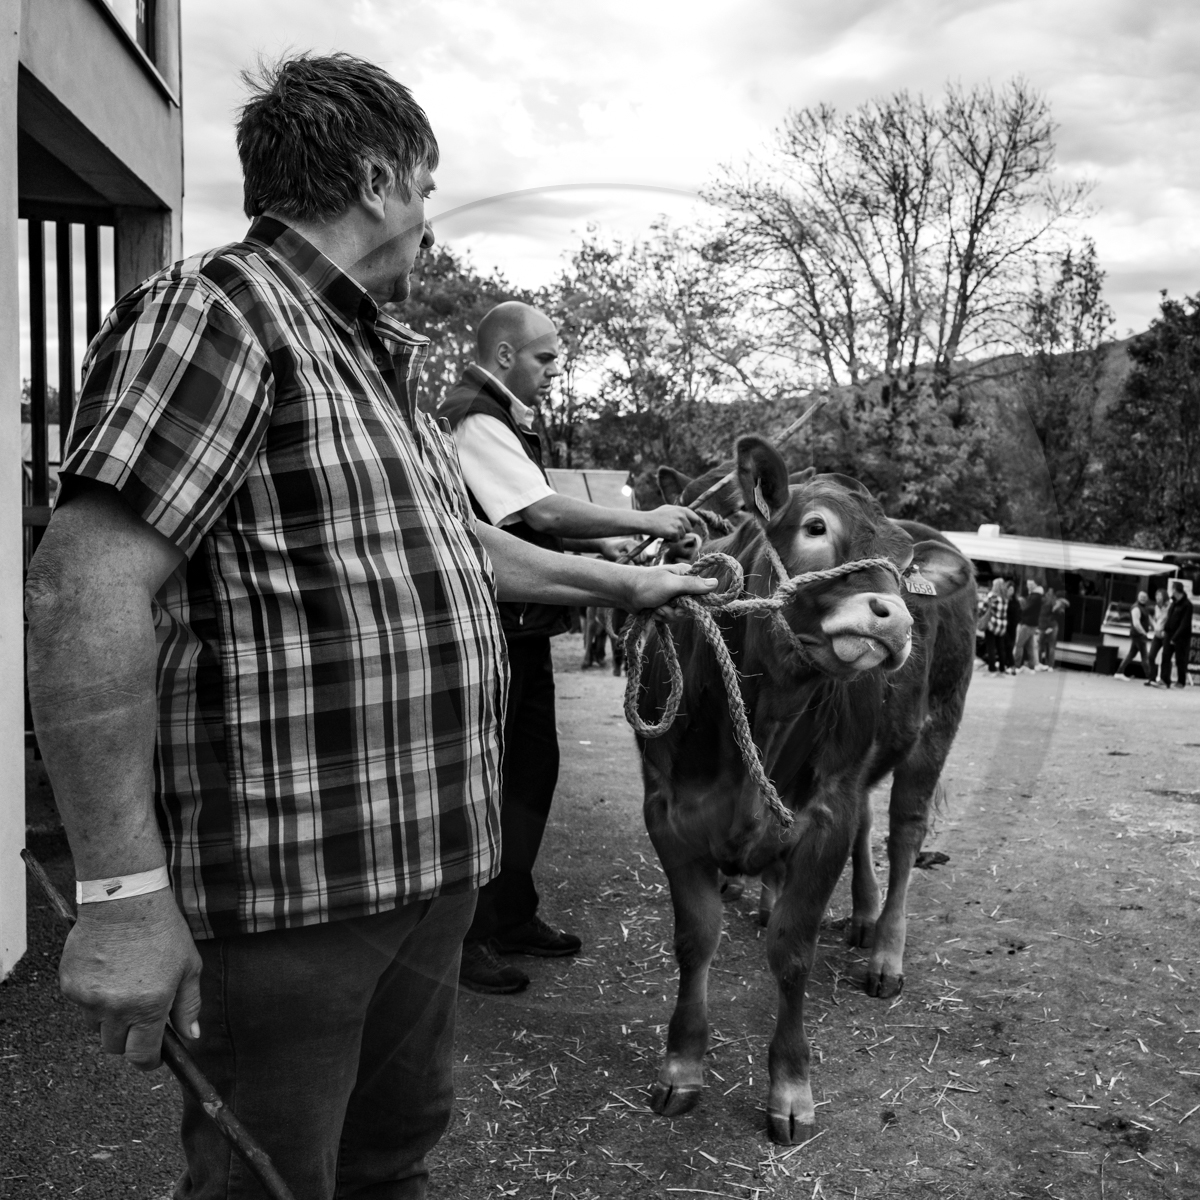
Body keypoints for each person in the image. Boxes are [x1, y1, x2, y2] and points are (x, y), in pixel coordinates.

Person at [23, 54, 718, 1200]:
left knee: (391, 1159)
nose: (432, 222)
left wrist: (624, 588)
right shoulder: (217, 312)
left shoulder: (369, 357)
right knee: (274, 1181)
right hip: (293, 884)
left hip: (424, 861)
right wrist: (119, 893)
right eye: (430, 190)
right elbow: (81, 585)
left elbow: (461, 541)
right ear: (385, 178)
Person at [438, 302, 706, 994]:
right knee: (490, 784)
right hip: (493, 630)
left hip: (524, 630)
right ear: (503, 356)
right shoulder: (475, 417)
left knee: (531, 773)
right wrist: (643, 519)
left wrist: (607, 545)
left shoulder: (501, 419)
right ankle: (465, 939)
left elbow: (531, 518)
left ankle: (511, 914)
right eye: (544, 359)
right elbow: (541, 513)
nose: (554, 372)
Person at [1162, 581, 1195, 689]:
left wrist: (1175, 637)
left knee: (1180, 659)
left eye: (1172, 589)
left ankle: (1181, 682)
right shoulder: (1174, 602)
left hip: (1181, 637)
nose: (1171, 591)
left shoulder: (1187, 605)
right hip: (1169, 633)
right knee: (1165, 657)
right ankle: (1164, 680)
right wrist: (1165, 629)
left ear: (1176, 590)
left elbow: (1184, 623)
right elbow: (1169, 617)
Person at [1119, 591, 1153, 680]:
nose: (1143, 598)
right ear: (1138, 597)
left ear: (1147, 598)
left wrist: (1154, 627)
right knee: (1145, 656)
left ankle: (1119, 672)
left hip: (1138, 634)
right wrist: (1143, 633)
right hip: (1138, 635)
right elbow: (1136, 623)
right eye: (1141, 596)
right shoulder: (1136, 608)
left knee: (1131, 654)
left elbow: (1149, 619)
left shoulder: (1144, 608)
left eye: (1145, 597)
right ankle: (1150, 676)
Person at [981, 577, 1012, 674]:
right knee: (1000, 647)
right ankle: (1002, 667)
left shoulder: (993, 597)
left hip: (992, 624)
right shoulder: (1005, 598)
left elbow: (982, 607)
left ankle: (992, 668)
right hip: (1002, 626)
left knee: (991, 647)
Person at [1012, 580, 1043, 672]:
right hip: (1032, 624)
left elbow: (1027, 609)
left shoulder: (1035, 596)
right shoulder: (1036, 595)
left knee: (1019, 645)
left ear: (1035, 585)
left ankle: (1017, 666)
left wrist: (1019, 611)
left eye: (1031, 585)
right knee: (1029, 646)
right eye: (1028, 584)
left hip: (1028, 624)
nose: (1028, 586)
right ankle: (1032, 667)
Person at [1038, 586, 1068, 670]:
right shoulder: (1054, 601)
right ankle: (1050, 666)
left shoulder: (1042, 600)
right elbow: (1061, 610)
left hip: (1043, 626)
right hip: (1051, 625)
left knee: (1040, 645)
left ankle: (1039, 664)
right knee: (1050, 646)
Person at [1146, 587, 1170, 687]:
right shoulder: (1156, 607)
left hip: (1165, 634)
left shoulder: (1169, 607)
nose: (1157, 597)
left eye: (1159, 595)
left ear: (1164, 596)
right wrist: (1152, 623)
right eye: (1156, 595)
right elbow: (1156, 620)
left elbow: (1171, 620)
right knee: (1151, 656)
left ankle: (1165, 680)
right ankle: (1152, 678)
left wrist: (1167, 630)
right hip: (1157, 635)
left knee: (1166, 657)